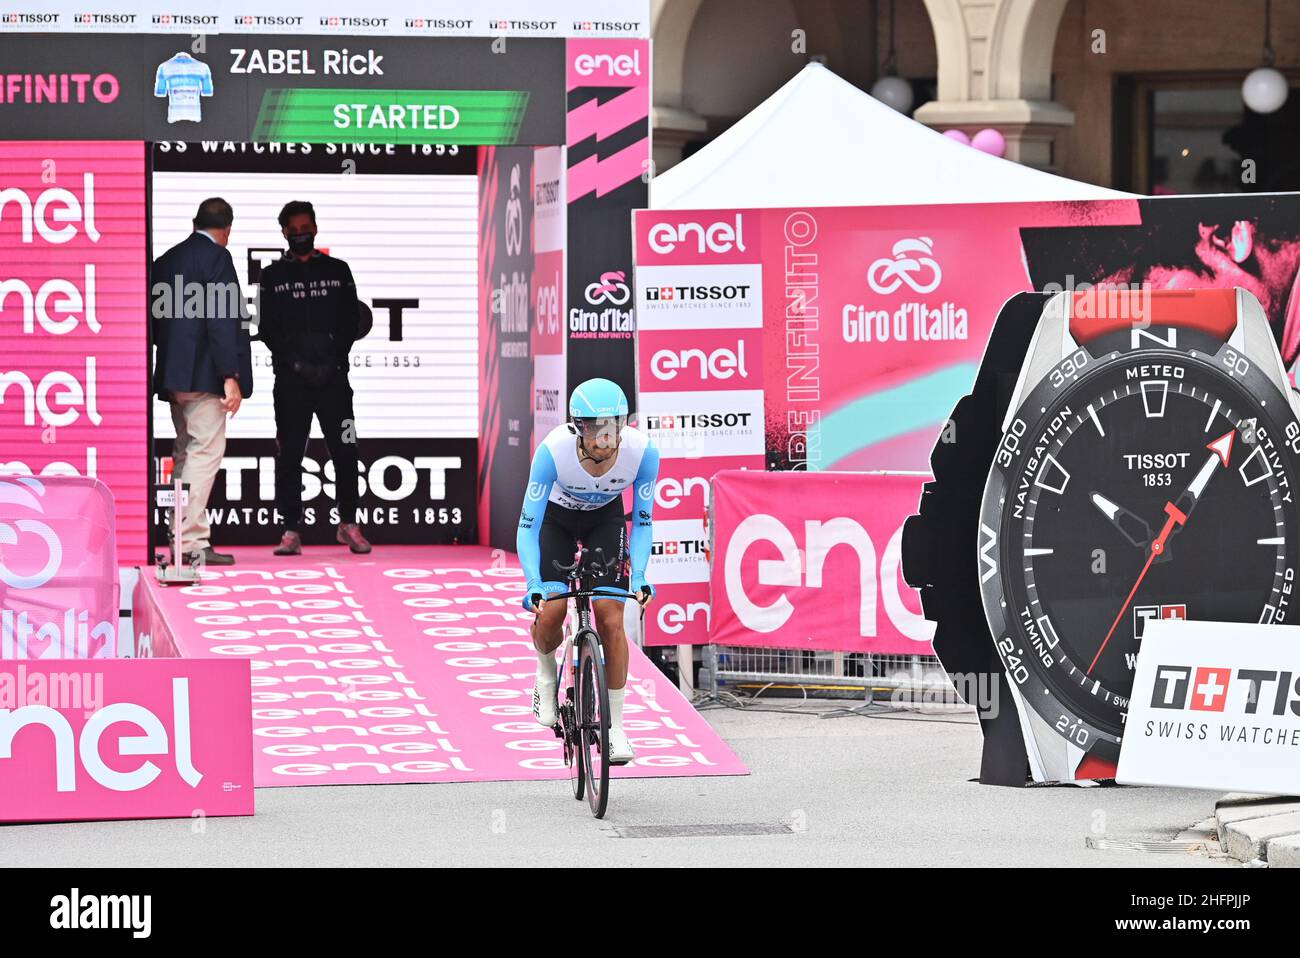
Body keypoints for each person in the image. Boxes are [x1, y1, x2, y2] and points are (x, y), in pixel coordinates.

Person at [516, 378, 659, 764]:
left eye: (615, 425)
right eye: (597, 427)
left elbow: (643, 521)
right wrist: (533, 584)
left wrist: (639, 575)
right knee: (552, 611)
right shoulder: (552, 453)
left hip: (604, 521)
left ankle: (616, 728)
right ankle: (546, 673)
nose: (607, 437)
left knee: (611, 619)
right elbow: (528, 526)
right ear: (578, 427)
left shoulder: (643, 453)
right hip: (555, 522)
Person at [257, 200, 372, 556]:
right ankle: (290, 530)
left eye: (305, 229)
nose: (300, 235)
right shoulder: (272, 276)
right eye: (293, 230)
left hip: (335, 383)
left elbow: (352, 322)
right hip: (290, 385)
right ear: (283, 233)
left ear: (316, 229)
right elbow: (268, 330)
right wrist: (295, 365)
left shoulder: (339, 270)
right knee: (289, 456)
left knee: (346, 450)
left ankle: (349, 524)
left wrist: (332, 362)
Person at [151, 197, 253, 566]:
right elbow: (222, 321)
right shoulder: (217, 258)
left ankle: (178, 535)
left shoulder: (166, 260)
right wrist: (230, 376)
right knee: (203, 453)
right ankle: (191, 541)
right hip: (205, 375)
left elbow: (156, 319)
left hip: (174, 375)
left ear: (195, 222)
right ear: (227, 229)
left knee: (185, 453)